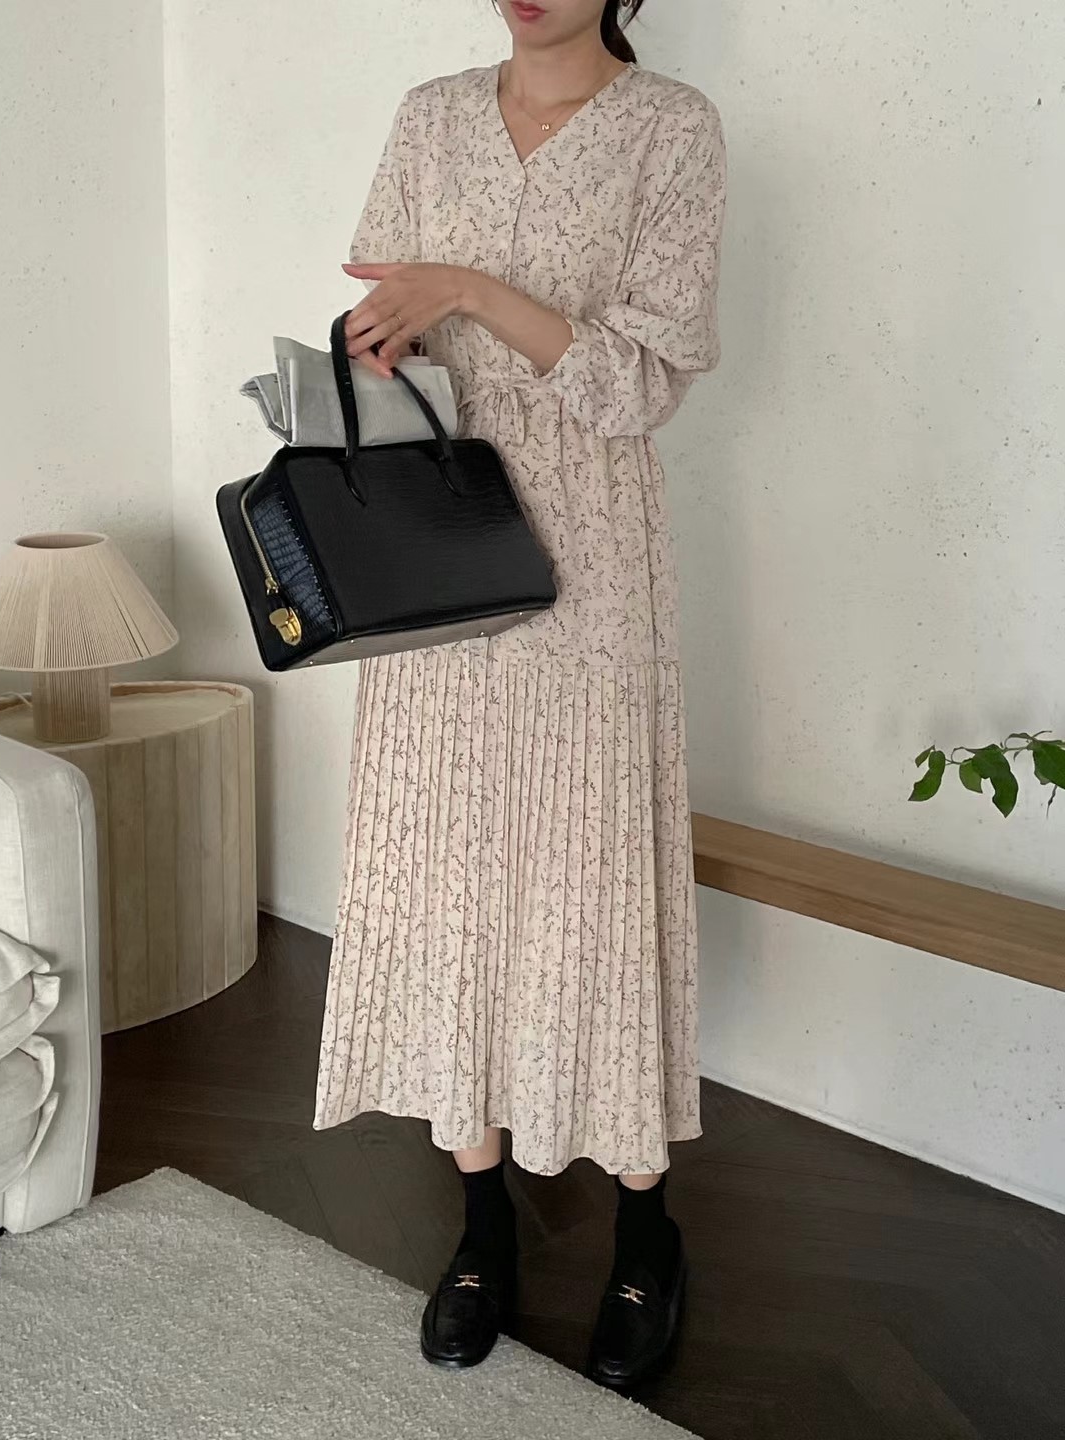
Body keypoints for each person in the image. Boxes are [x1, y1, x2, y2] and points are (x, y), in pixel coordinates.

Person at [314, 0, 726, 1390]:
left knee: (589, 882)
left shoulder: (674, 129)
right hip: (432, 550)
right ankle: (482, 1223)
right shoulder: (431, 115)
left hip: (590, 562)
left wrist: (474, 290)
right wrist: (383, 339)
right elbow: (387, 321)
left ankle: (646, 1231)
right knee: (451, 877)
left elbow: (641, 387)